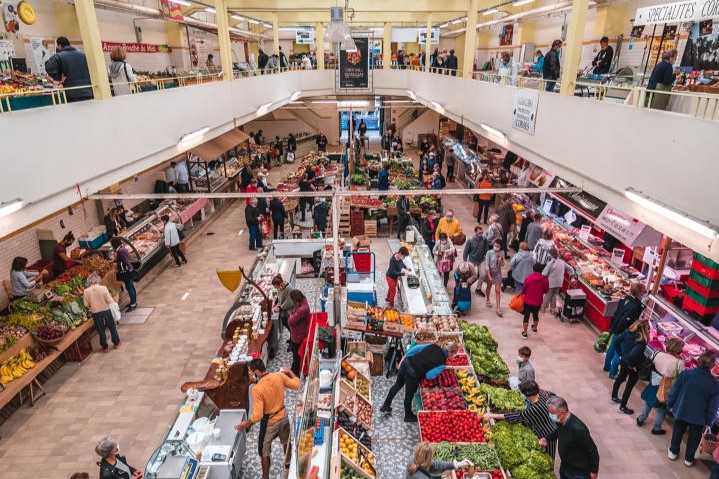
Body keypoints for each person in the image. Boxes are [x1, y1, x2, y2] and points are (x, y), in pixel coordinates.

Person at [234, 360, 300, 479]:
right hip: (283, 415)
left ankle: (265, 477)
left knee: (264, 451)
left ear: (257, 372)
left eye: (251, 372)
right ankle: (288, 465)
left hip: (270, 422)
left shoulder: (257, 389)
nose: (251, 374)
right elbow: (296, 384)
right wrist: (290, 371)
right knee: (286, 441)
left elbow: (258, 415)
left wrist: (247, 424)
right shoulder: (279, 376)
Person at [381, 341, 459, 422]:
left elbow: (416, 349)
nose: (454, 356)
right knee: (409, 395)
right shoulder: (442, 363)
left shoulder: (433, 345)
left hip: (406, 363)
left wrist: (405, 357)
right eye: (454, 353)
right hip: (413, 374)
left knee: (397, 385)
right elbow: (430, 375)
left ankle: (386, 405)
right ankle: (408, 415)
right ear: (450, 352)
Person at [667, 350, 719, 467]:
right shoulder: (714, 384)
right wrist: (709, 422)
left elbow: (674, 391)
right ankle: (689, 459)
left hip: (681, 410)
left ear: (699, 360)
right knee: (694, 438)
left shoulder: (686, 374)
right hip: (699, 418)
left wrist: (669, 405)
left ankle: (673, 452)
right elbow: (713, 406)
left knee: (678, 431)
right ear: (712, 365)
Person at [486, 380, 558, 459]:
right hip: (547, 425)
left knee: (547, 456)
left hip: (547, 433)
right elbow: (551, 394)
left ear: (528, 395)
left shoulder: (534, 409)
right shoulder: (541, 394)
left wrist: (492, 415)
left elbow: (517, 415)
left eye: (523, 393)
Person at [540, 396, 599, 479]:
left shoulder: (578, 429)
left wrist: (594, 470)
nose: (550, 415)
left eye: (552, 413)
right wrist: (547, 439)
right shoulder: (560, 421)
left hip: (578, 472)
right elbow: (558, 432)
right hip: (565, 466)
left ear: (562, 412)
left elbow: (592, 450)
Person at [637, 337, 685, 435]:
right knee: (662, 409)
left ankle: (641, 418)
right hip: (667, 388)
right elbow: (681, 377)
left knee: (649, 402)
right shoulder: (679, 363)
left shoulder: (657, 353)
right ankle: (656, 428)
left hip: (654, 382)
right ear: (678, 350)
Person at [604, 282, 647, 379]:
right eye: (643, 294)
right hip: (623, 331)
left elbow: (619, 314)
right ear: (639, 294)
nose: (643, 296)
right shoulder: (635, 306)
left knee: (612, 347)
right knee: (619, 352)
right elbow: (625, 319)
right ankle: (613, 372)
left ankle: (607, 366)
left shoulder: (625, 299)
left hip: (616, 328)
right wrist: (626, 332)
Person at [610, 318, 650, 414]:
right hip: (633, 365)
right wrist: (631, 365)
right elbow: (633, 355)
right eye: (648, 328)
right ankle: (622, 407)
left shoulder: (628, 332)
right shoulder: (641, 340)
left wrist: (620, 355)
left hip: (624, 361)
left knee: (620, 378)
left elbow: (616, 342)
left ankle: (614, 397)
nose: (649, 329)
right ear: (644, 329)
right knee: (629, 386)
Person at [45, 37, 93, 102]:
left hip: (72, 93)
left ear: (59, 45)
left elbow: (49, 66)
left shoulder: (58, 56)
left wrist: (59, 77)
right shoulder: (83, 56)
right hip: (88, 90)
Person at [83, 273, 121, 352]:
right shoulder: (103, 288)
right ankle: (116, 343)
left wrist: (92, 303)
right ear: (98, 279)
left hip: (95, 312)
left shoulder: (86, 291)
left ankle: (104, 347)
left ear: (89, 281)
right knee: (112, 327)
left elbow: (86, 304)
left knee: (100, 330)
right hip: (106, 310)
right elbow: (110, 300)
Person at [406, 442, 473, 479]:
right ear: (427, 461)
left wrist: (456, 464)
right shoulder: (420, 477)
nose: (433, 459)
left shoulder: (414, 458)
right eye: (432, 457)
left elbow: (436, 465)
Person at [520, 263, 549, 339]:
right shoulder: (545, 280)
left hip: (528, 301)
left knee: (526, 316)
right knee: (535, 315)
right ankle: (535, 328)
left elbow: (524, 289)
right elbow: (546, 291)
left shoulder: (528, 278)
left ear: (533, 269)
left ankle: (525, 333)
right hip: (538, 301)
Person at [542, 250, 573, 315]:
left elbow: (544, 273)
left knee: (548, 295)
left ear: (551, 255)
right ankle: (553, 309)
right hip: (559, 282)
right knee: (554, 295)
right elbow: (570, 269)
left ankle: (543, 308)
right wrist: (572, 275)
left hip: (551, 282)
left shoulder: (551, 263)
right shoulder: (562, 262)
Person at [287, 290, 311, 376]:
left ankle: (295, 373)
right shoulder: (303, 303)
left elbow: (290, 321)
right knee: (296, 354)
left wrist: (291, 315)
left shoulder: (301, 310)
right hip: (300, 333)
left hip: (298, 335)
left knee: (296, 355)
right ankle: (294, 371)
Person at [111, 237, 137, 312]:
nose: (112, 246)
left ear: (115, 244)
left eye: (112, 244)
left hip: (126, 272)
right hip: (128, 271)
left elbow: (125, 262)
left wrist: (117, 264)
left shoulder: (120, 251)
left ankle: (133, 304)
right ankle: (133, 301)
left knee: (129, 288)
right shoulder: (122, 249)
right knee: (131, 287)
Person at [463, 226, 489, 296]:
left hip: (481, 260)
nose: (481, 234)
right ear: (475, 232)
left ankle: (478, 289)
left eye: (481, 232)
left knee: (483, 274)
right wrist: (465, 262)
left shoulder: (484, 239)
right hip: (472, 260)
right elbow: (466, 251)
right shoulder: (470, 240)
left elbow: (486, 250)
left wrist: (487, 259)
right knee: (469, 275)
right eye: (479, 232)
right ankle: (466, 286)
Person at [485, 240, 505, 317]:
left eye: (497, 246)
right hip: (490, 271)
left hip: (498, 272)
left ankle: (498, 307)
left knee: (498, 290)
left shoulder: (502, 253)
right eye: (495, 245)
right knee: (489, 287)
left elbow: (502, 265)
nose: (496, 247)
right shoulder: (489, 253)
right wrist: (489, 276)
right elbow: (487, 265)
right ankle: (488, 299)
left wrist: (500, 258)